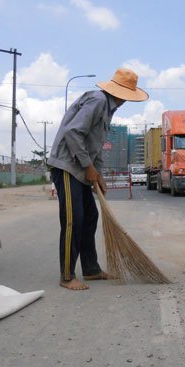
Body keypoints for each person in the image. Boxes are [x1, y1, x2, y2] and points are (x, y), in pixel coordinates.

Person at [47, 68, 149, 290]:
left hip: (82, 168)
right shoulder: (97, 100)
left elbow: (95, 146)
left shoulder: (108, 108)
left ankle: (91, 268)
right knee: (74, 219)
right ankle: (66, 276)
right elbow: (73, 133)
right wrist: (88, 167)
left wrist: (98, 174)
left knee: (90, 216)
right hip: (67, 166)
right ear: (120, 93)